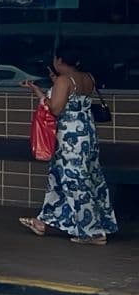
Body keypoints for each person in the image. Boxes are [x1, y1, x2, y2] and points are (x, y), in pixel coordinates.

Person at [19, 49, 118, 245]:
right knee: (80, 177)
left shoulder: (64, 81)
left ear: (59, 60)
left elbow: (55, 109)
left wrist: (41, 93)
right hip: (87, 134)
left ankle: (92, 232)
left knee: (75, 181)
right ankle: (44, 221)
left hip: (69, 137)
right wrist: (48, 87)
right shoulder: (88, 77)